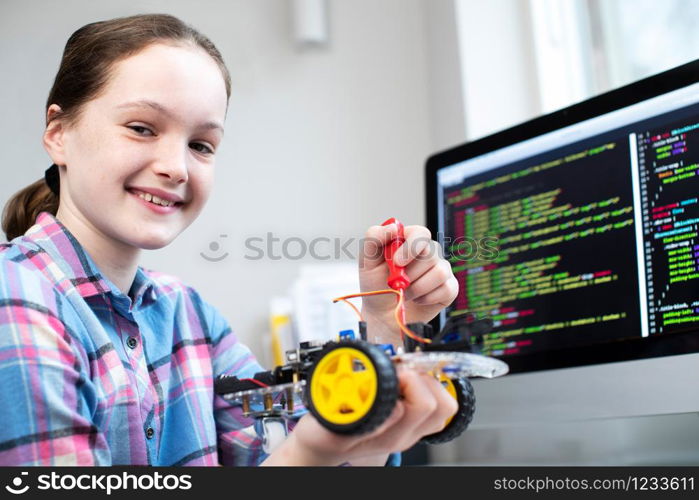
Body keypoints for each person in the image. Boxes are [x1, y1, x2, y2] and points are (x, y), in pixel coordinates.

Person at [0, 13, 460, 466]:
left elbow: (339, 459)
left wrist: (387, 323)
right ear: (58, 134)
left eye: (201, 145)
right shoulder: (16, 297)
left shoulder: (191, 316)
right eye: (142, 128)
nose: (176, 168)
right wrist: (306, 455)